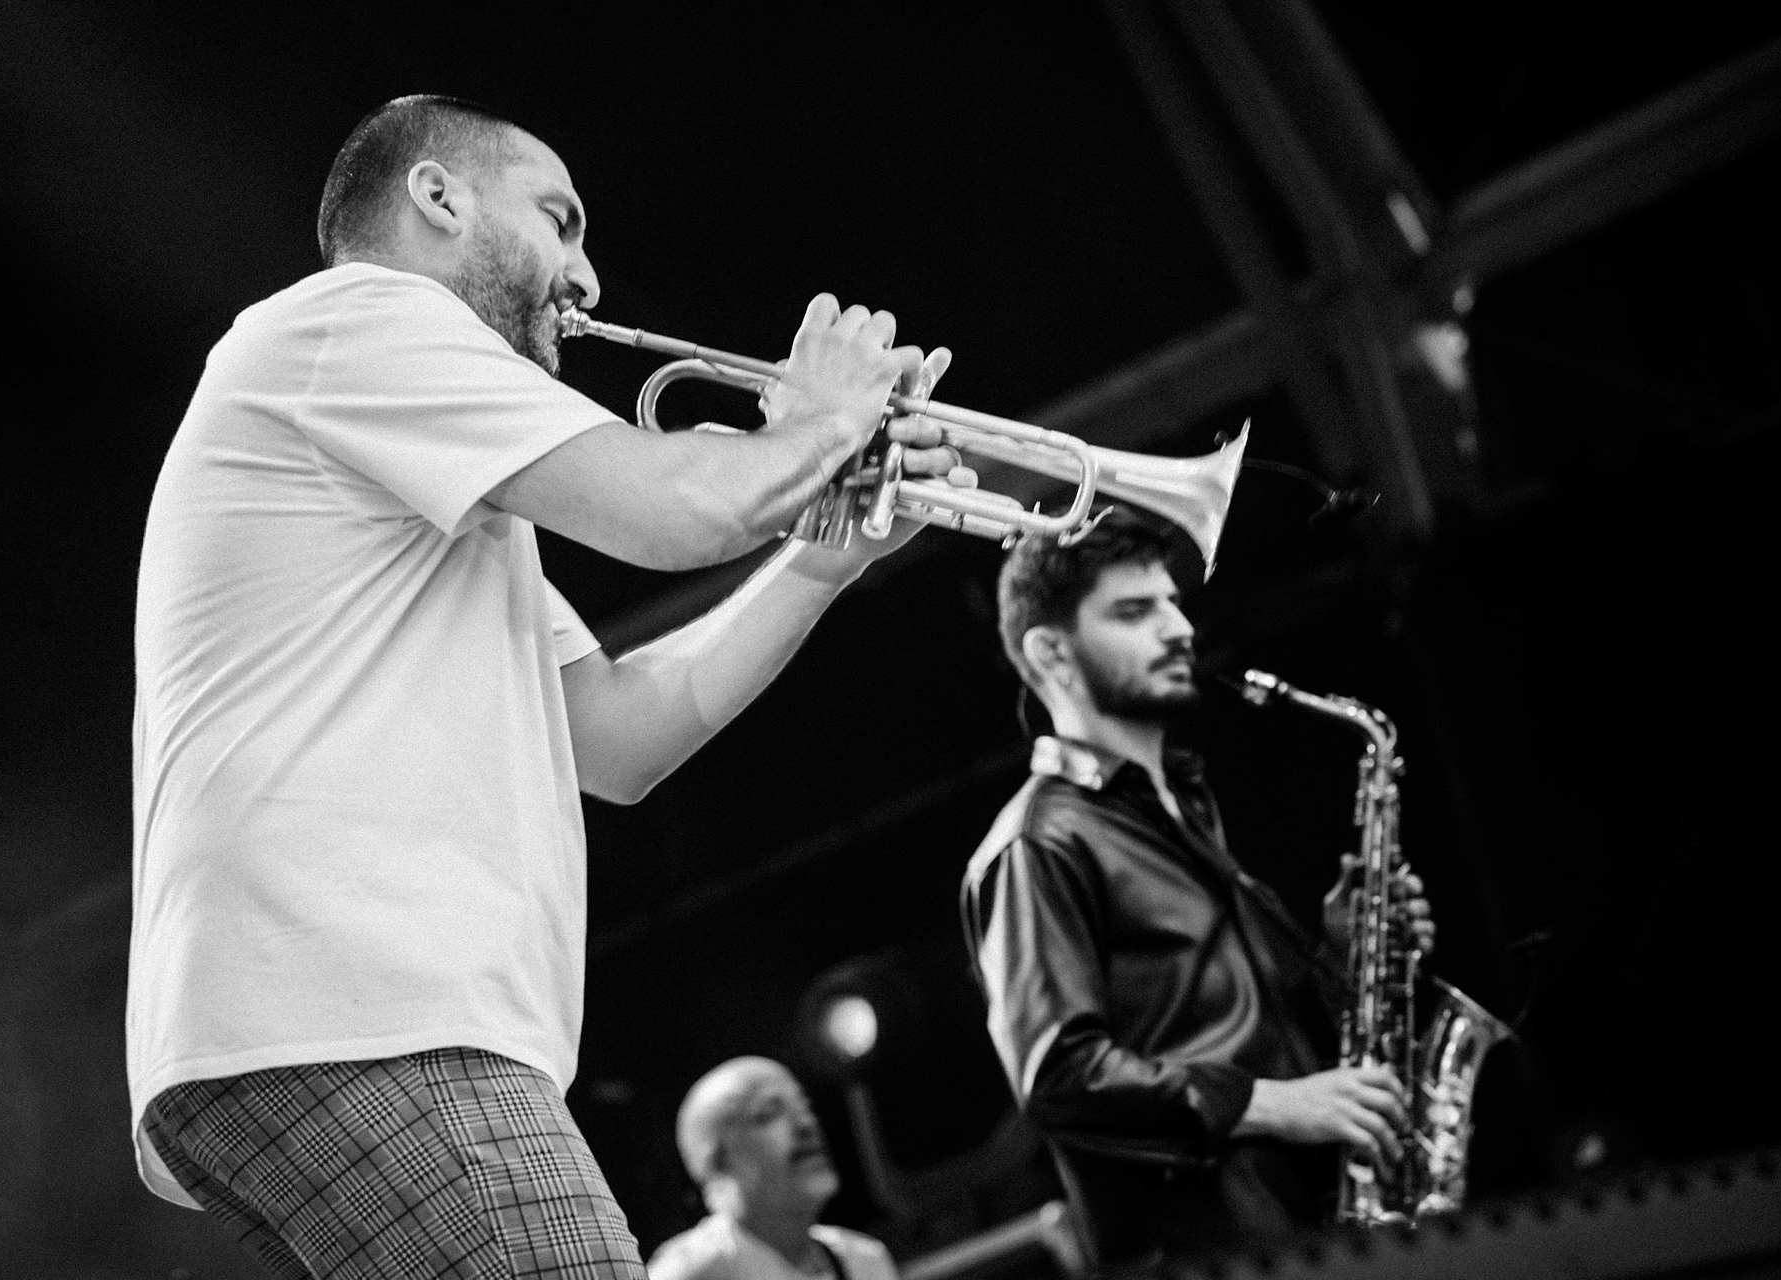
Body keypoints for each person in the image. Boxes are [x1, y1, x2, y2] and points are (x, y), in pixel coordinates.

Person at [128, 94, 970, 1280]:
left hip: (328, 1024)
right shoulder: (360, 318)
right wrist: (823, 424)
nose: (587, 274)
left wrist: (823, 557)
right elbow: (682, 508)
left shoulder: (434, 492)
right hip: (373, 1011)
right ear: (437, 196)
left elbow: (621, 736)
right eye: (559, 220)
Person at [959, 508, 1437, 1274]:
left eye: (1174, 603)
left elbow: (1236, 1031)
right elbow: (1059, 1079)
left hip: (1305, 1233)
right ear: (1051, 652)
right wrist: (1278, 1105)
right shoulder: (1039, 844)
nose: (1179, 627)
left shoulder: (1184, 807)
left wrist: (1342, 959)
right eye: (1134, 611)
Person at [648, 1058, 899, 1280]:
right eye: (768, 1113)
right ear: (716, 1163)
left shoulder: (866, 1261)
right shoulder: (690, 1272)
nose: (806, 1124)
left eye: (805, 1108)